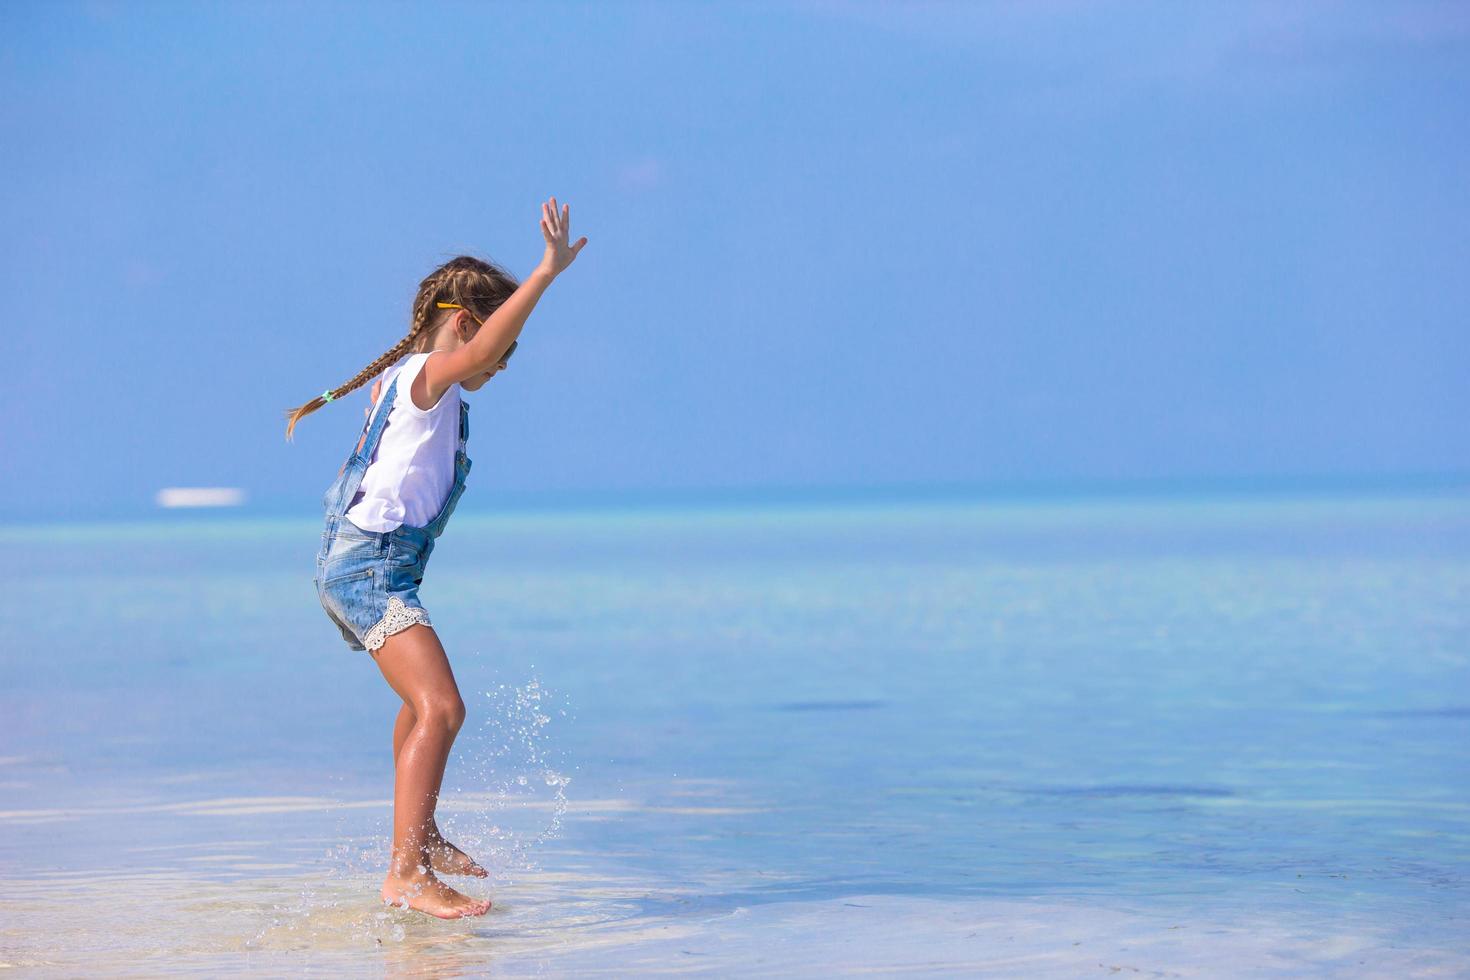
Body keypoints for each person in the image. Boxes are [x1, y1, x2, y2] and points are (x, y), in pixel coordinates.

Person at [282, 196, 588, 919]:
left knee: (419, 708)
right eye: (502, 347)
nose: (502, 366)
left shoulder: (415, 383)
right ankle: (406, 874)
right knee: (442, 707)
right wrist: (544, 274)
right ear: (464, 326)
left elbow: (476, 359)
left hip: (369, 564)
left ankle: (420, 840)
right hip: (370, 566)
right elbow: (477, 356)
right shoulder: (427, 376)